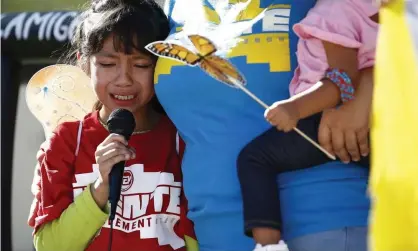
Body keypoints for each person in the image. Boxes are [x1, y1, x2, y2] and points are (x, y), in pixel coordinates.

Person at [154, 0, 372, 251]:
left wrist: (367, 87)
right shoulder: (173, 6)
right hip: (215, 234)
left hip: (325, 224)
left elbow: (400, 45)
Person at [27, 0, 196, 250]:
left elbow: (198, 237)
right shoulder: (65, 143)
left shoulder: (184, 139)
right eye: (107, 64)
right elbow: (49, 245)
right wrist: (100, 190)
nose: (124, 80)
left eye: (141, 65)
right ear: (84, 62)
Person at [236, 0, 378, 249]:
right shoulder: (397, 15)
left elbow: (343, 81)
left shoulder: (336, 10)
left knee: (254, 159)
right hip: (380, 127)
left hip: (324, 120)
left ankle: (268, 244)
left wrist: (294, 108)